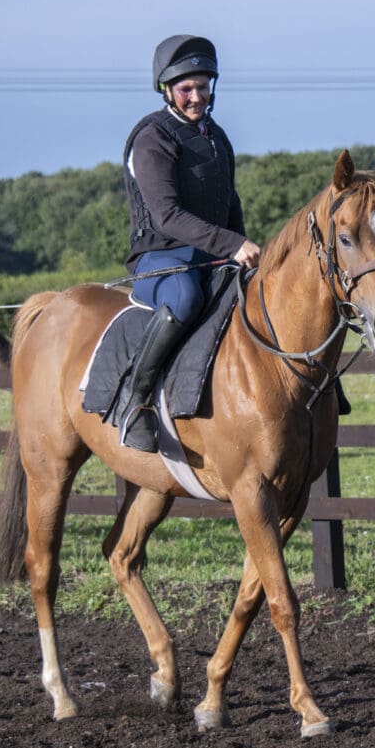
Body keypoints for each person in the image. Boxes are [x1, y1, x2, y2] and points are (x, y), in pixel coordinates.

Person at [117, 34, 261, 452]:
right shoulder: (152, 138)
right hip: (160, 259)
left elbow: (229, 202)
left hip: (211, 255)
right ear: (167, 90)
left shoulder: (217, 137)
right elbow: (167, 215)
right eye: (186, 89)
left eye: (203, 86)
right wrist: (232, 244)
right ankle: (135, 400)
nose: (197, 96)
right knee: (184, 298)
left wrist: (244, 251)